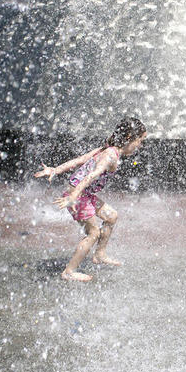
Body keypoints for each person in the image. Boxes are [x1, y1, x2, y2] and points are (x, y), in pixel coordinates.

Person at [33, 118, 148, 282]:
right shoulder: (110, 156)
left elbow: (80, 160)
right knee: (93, 233)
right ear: (129, 137)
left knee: (111, 216)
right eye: (140, 141)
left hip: (84, 194)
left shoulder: (106, 149)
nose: (140, 146)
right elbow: (91, 175)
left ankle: (100, 254)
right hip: (79, 195)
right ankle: (69, 271)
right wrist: (73, 196)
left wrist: (55, 170)